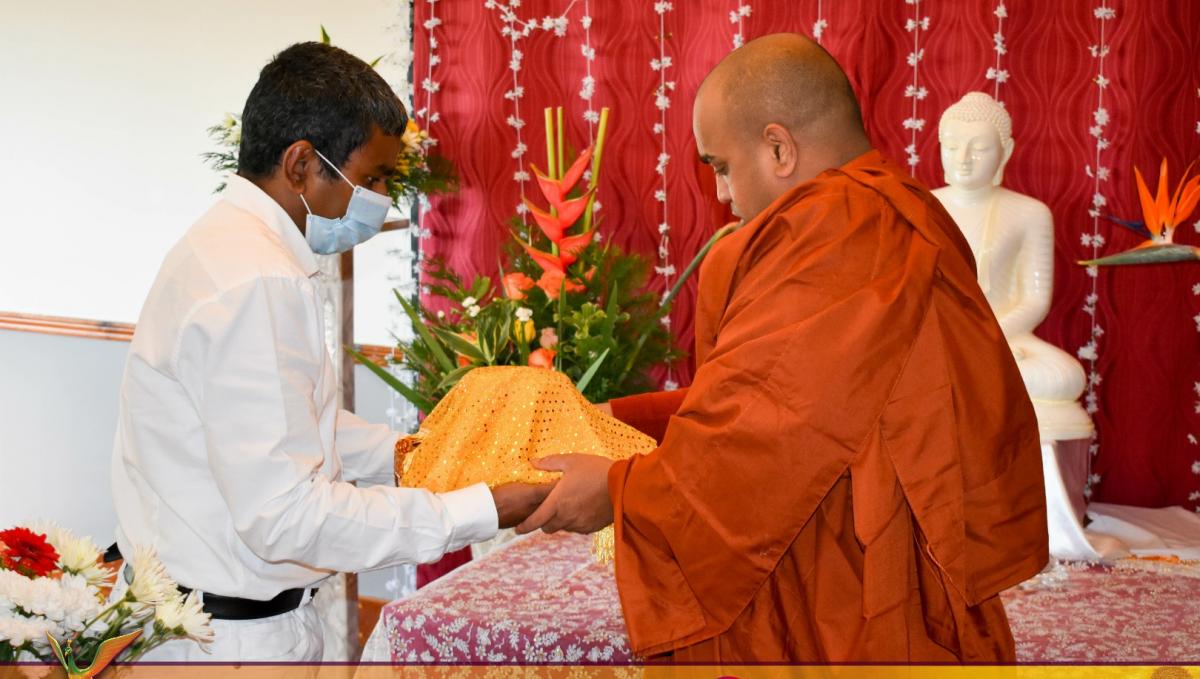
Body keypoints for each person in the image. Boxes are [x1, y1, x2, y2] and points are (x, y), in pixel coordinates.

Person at [517, 33, 1049, 662]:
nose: (721, 194)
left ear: (778, 147)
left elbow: (766, 433)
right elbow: (779, 393)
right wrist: (619, 420)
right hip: (862, 538)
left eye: (720, 166)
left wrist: (619, 490)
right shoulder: (904, 208)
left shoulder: (844, 222)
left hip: (841, 580)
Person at [110, 42, 550, 661]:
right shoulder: (256, 279)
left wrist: (410, 456)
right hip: (224, 642)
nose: (381, 199)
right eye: (370, 179)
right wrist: (480, 510)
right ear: (300, 165)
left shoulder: (230, 245)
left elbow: (287, 422)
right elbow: (287, 516)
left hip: (210, 618)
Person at [931, 91, 1091, 441]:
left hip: (1003, 336)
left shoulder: (1030, 213)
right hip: (936, 336)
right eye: (952, 146)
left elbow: (1034, 300)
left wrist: (989, 337)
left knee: (1065, 377)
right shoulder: (923, 207)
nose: (963, 159)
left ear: (1006, 152)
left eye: (979, 148)